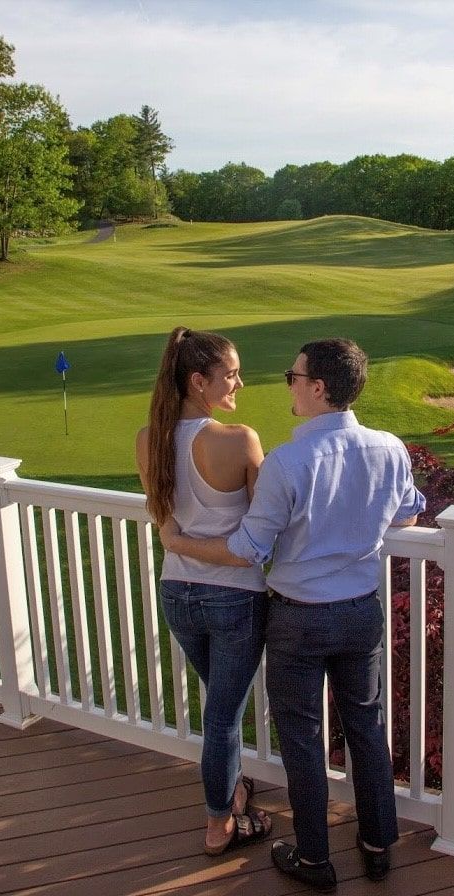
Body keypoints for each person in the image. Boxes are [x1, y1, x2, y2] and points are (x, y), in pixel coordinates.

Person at [160, 338, 425, 891]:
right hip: (360, 611)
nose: (288, 384)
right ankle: (378, 846)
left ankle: (314, 860)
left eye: (292, 375)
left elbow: (247, 550)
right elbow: (406, 519)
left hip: (299, 618)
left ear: (318, 387)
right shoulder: (389, 448)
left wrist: (179, 543)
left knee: (302, 738)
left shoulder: (288, 462)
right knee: (366, 728)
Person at [136, 326, 271, 856]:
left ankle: (234, 789)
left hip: (178, 594)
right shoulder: (239, 439)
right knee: (222, 717)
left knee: (221, 705)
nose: (240, 381)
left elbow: (167, 526)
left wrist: (181, 542)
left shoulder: (148, 439)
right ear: (198, 381)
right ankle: (220, 825)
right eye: (231, 373)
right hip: (235, 596)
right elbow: (261, 533)